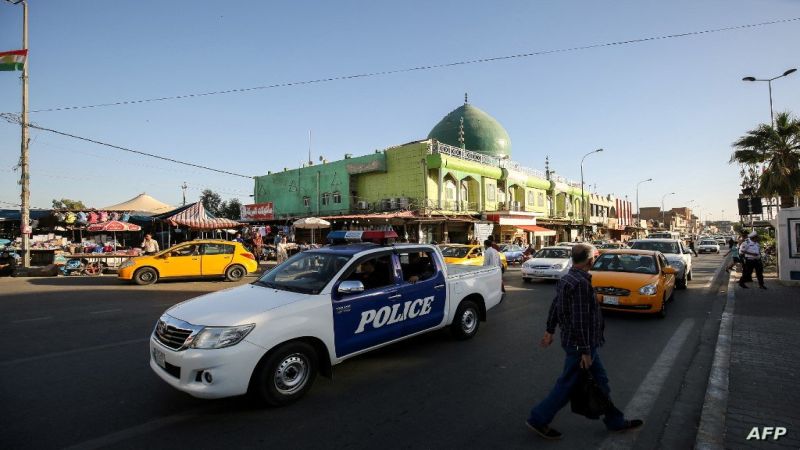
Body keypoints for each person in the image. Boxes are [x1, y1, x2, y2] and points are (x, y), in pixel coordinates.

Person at [526, 244, 643, 440]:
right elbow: (580, 320)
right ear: (590, 261)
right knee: (567, 386)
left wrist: (549, 329)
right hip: (580, 346)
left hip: (582, 344)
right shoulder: (580, 283)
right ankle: (538, 418)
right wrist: (585, 351)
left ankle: (615, 421)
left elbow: (557, 305)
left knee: (600, 381)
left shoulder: (567, 279)